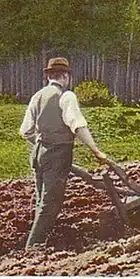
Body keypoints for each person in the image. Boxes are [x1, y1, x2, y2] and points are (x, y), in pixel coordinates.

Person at [19, 57, 107, 249]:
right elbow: (78, 126)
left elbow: (25, 131)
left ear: (48, 76)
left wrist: (43, 144)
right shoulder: (66, 97)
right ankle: (31, 248)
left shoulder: (38, 96)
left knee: (42, 202)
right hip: (58, 156)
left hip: (38, 154)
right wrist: (96, 151)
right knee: (50, 204)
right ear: (66, 76)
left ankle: (38, 241)